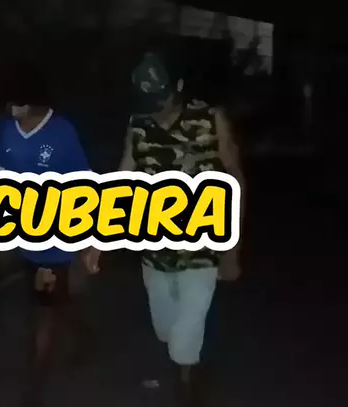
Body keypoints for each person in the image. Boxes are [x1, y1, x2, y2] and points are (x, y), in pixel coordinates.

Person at [83, 51, 246, 407]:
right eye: (147, 101)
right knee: (167, 330)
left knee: (186, 335)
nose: (154, 109)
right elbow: (122, 179)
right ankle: (192, 366)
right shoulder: (138, 124)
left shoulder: (211, 119)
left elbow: (234, 177)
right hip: (154, 250)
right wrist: (98, 240)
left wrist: (232, 248)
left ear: (179, 87)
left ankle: (188, 389)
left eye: (160, 99)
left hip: (202, 248)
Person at [0, 60, 97, 407]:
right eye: (8, 104)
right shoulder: (6, 130)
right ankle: (83, 335)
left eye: (18, 103)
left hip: (59, 236)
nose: (13, 110)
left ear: (35, 99)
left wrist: (89, 240)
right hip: (26, 237)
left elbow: (83, 185)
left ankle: (34, 389)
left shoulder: (61, 132)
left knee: (43, 311)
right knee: (54, 302)